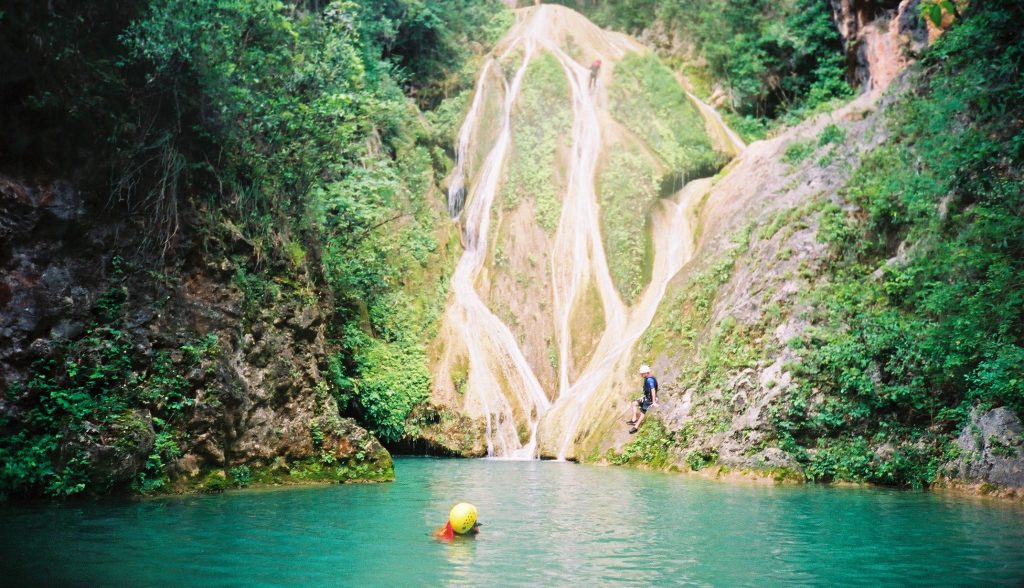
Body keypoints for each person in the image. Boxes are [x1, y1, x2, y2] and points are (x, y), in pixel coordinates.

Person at [627, 364, 658, 434]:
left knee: (642, 412)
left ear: (646, 373)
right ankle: (634, 419)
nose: (641, 375)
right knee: (634, 403)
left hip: (649, 399)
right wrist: (644, 396)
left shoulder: (650, 380)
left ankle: (636, 427)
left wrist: (653, 402)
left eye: (642, 374)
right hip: (646, 397)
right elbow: (648, 390)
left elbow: (653, 390)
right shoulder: (647, 378)